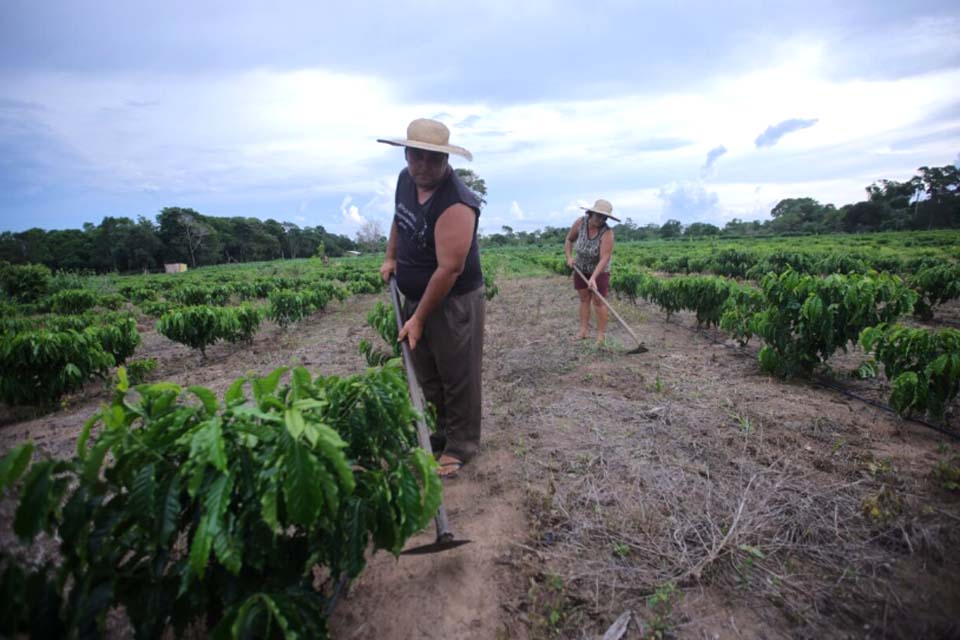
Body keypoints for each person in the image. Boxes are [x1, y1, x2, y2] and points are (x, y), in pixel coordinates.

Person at [377, 118, 485, 478]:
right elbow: (400, 219)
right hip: (416, 294)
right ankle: (442, 432)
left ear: (445, 161)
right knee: (428, 371)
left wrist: (419, 318)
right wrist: (391, 256)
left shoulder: (457, 203)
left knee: (457, 372)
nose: (422, 167)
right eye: (416, 157)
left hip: (454, 299)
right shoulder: (405, 181)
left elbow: (448, 270)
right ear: (407, 154)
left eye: (431, 160)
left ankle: (462, 445)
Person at [564, 198, 619, 343]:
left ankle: (600, 336)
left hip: (600, 270)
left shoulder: (607, 233)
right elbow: (569, 240)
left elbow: (604, 258)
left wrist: (593, 277)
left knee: (598, 301)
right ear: (591, 213)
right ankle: (583, 332)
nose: (601, 219)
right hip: (580, 267)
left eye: (604, 217)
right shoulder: (580, 223)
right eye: (598, 215)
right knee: (583, 298)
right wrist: (569, 257)